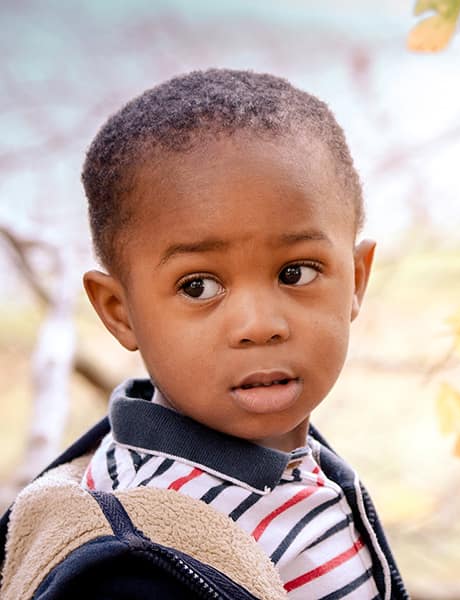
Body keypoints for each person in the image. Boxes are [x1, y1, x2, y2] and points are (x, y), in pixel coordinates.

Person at [0, 68, 409, 600]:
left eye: (296, 272)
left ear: (355, 279)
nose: (259, 325)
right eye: (198, 286)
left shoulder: (294, 461)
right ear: (119, 311)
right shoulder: (131, 572)